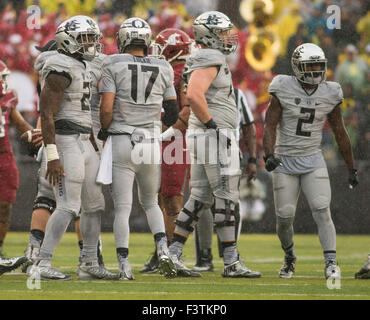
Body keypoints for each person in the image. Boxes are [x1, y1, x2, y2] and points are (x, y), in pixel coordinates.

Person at [168, 11, 261, 278]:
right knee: (226, 197)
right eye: (222, 32)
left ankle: (173, 254)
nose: (227, 37)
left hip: (201, 136)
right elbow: (195, 96)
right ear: (209, 35)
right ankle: (231, 261)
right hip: (212, 135)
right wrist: (213, 126)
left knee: (198, 198)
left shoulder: (201, 57)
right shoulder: (210, 57)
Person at [262, 43, 359, 279]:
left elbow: (340, 131)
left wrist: (351, 167)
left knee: (322, 209)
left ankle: (331, 262)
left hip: (313, 158)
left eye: (319, 65)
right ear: (297, 67)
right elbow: (270, 124)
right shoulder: (283, 86)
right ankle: (289, 257)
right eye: (310, 65)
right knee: (284, 218)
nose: (316, 70)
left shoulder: (330, 91)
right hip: (285, 159)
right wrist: (269, 154)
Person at [30, 15, 115, 281]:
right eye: (84, 38)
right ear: (67, 39)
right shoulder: (58, 67)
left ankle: (89, 262)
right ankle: (41, 263)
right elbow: (46, 114)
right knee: (68, 205)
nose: (90, 43)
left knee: (95, 204)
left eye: (92, 37)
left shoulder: (82, 64)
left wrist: (92, 141)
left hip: (83, 140)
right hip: (65, 141)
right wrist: (53, 155)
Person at [98, 17, 179, 280]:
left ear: (123, 39)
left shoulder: (113, 63)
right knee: (151, 203)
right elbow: (172, 113)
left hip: (123, 138)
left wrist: (104, 128)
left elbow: (107, 108)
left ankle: (124, 265)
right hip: (151, 141)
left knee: (122, 207)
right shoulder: (164, 66)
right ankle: (163, 250)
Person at [140, 28, 193, 275]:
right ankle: (162, 251)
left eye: (161, 47)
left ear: (171, 50)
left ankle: (172, 253)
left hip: (173, 141)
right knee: (159, 198)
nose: (155, 51)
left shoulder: (183, 75)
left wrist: (166, 133)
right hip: (162, 139)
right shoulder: (166, 71)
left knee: (171, 199)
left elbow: (187, 111)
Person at [193, 86, 258, 272]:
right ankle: (205, 256)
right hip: (204, 151)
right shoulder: (198, 92)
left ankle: (230, 255)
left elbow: (248, 126)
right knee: (201, 202)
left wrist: (252, 158)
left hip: (229, 154)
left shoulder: (237, 94)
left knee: (230, 203)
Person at [0, 59, 42, 257]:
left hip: (4, 151)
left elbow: (21, 124)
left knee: (6, 202)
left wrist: (38, 137)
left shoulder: (7, 97)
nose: (3, 82)